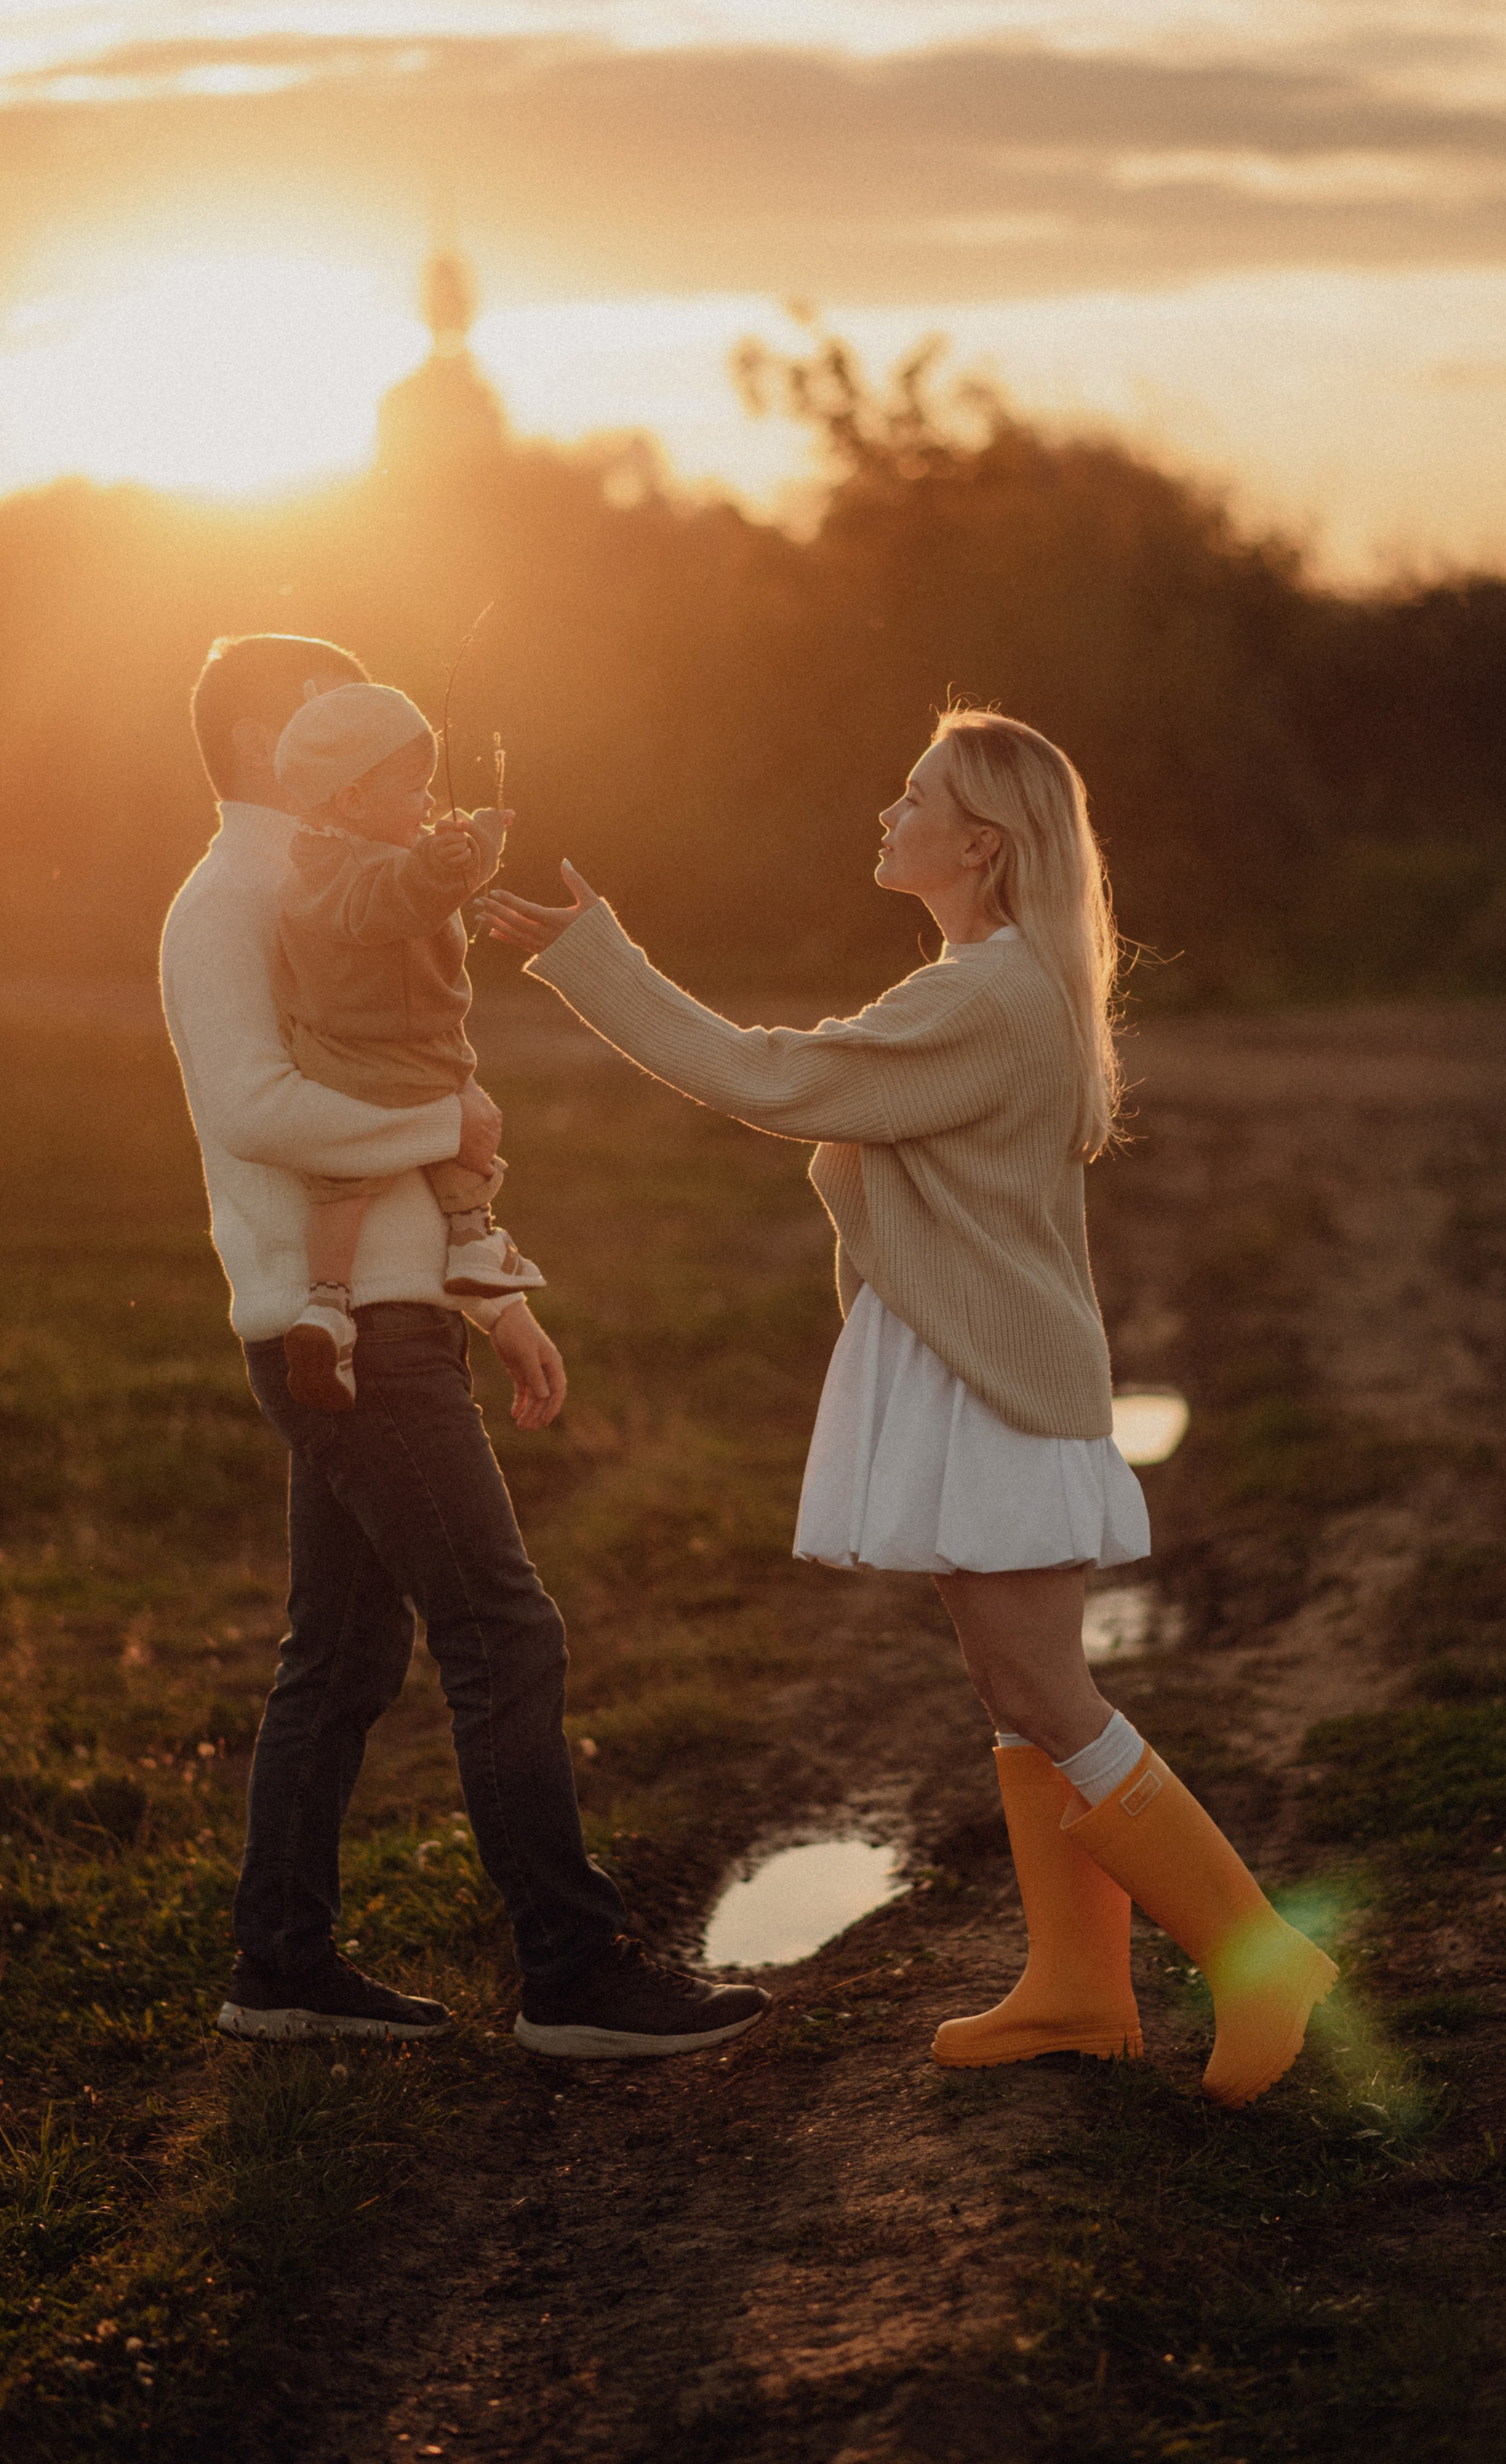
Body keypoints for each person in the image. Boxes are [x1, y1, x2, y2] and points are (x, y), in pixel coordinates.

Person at [484, 708, 1337, 2107]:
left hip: (991, 1378)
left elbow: (765, 1076)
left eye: (916, 795)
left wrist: (596, 957)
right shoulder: (978, 984)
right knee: (1012, 1690)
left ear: (981, 843)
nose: (888, 814)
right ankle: (1078, 1990)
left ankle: (1262, 1957)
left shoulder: (987, 996)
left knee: (1041, 1688)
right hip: (969, 1365)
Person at [160, 632, 769, 2058]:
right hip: (344, 1333)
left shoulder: (345, 878)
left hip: (394, 1311)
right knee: (501, 1628)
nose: (372, 736)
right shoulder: (232, 897)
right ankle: (573, 1974)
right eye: (328, 711)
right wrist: (451, 1128)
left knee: (344, 1654)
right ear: (256, 739)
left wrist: (493, 1298)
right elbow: (253, 1107)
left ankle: (281, 1968)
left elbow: (413, 1059)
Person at [269, 678, 542, 1414]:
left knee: (344, 1190)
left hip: (348, 1058)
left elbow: (427, 878)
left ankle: (328, 1304)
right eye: (414, 788)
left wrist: (476, 840)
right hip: (402, 1056)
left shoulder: (334, 859)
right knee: (466, 1125)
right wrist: (455, 857)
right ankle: (469, 1239)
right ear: (353, 799)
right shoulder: (358, 874)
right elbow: (403, 897)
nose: (426, 803)